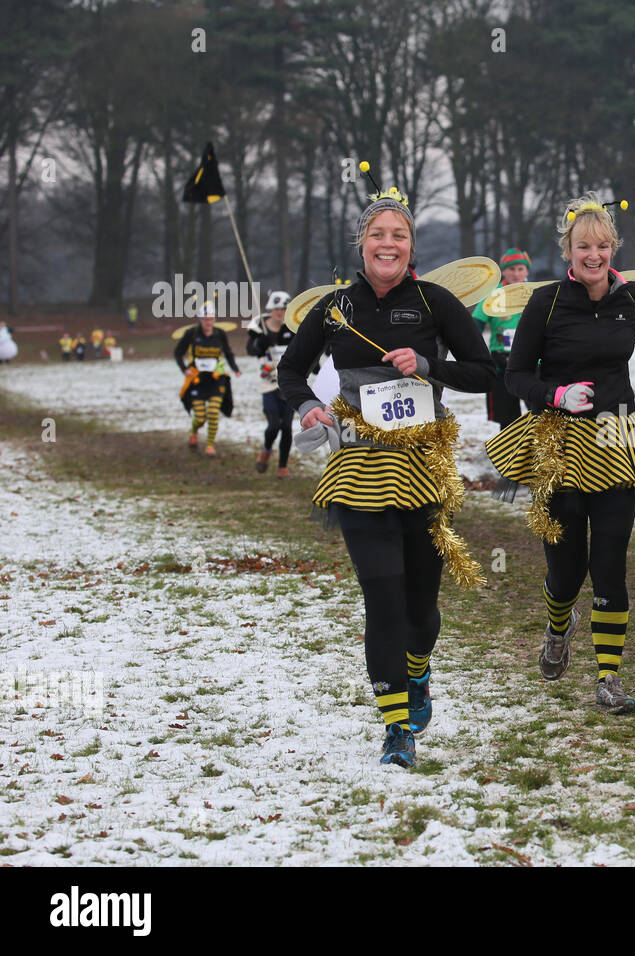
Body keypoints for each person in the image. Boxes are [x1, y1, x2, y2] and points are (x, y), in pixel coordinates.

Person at [277, 179, 494, 768]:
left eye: (398, 234)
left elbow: (484, 371)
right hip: (358, 466)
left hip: (423, 464)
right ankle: (397, 728)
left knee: (421, 603)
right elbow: (290, 372)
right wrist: (308, 407)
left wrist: (428, 365)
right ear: (362, 244)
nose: (388, 243)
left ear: (411, 246)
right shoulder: (335, 309)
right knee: (382, 598)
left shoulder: (435, 304)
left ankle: (419, 669)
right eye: (378, 234)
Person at [484, 193, 635, 715]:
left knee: (610, 562)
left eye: (603, 245)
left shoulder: (632, 298)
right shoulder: (545, 301)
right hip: (557, 443)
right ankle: (556, 627)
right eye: (583, 246)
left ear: (614, 247)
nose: (594, 255)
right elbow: (516, 373)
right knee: (566, 567)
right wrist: (555, 394)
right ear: (567, 249)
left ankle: (609, 679)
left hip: (617, 440)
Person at [470, 248, 530, 429]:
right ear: (503, 271)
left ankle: (541, 450)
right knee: (507, 416)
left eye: (520, 269)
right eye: (511, 269)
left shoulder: (534, 293)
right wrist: (473, 352)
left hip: (532, 359)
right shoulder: (493, 294)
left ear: (527, 271)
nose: (516, 274)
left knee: (541, 410)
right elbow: (475, 325)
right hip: (501, 360)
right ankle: (509, 452)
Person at [175, 301, 240, 456]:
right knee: (200, 417)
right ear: (200, 319)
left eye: (211, 319)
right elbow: (178, 353)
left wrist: (235, 369)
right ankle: (194, 431)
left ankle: (210, 445)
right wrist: (185, 369)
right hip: (197, 380)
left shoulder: (219, 334)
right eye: (205, 319)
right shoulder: (192, 333)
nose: (208, 322)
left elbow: (228, 352)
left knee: (212, 412)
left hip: (216, 378)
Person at [247, 290, 296, 477]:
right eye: (276, 309)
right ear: (270, 309)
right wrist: (260, 343)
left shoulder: (293, 329)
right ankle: (266, 450)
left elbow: (305, 351)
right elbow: (250, 350)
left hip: (289, 385)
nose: (280, 313)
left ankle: (282, 467)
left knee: (287, 427)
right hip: (268, 385)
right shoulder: (260, 327)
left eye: (283, 309)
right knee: (274, 424)